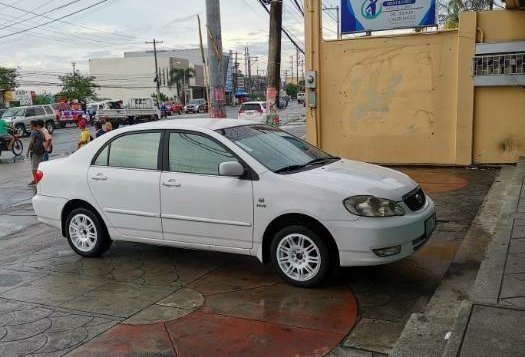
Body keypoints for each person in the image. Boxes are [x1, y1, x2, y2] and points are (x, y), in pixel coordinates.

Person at [26, 120, 45, 185]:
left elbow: (31, 142)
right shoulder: (41, 132)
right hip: (41, 151)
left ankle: (36, 181)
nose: (30, 126)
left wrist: (28, 150)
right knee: (40, 166)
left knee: (34, 167)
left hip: (35, 152)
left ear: (33, 125)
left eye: (30, 125)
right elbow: (43, 140)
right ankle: (41, 179)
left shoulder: (33, 132)